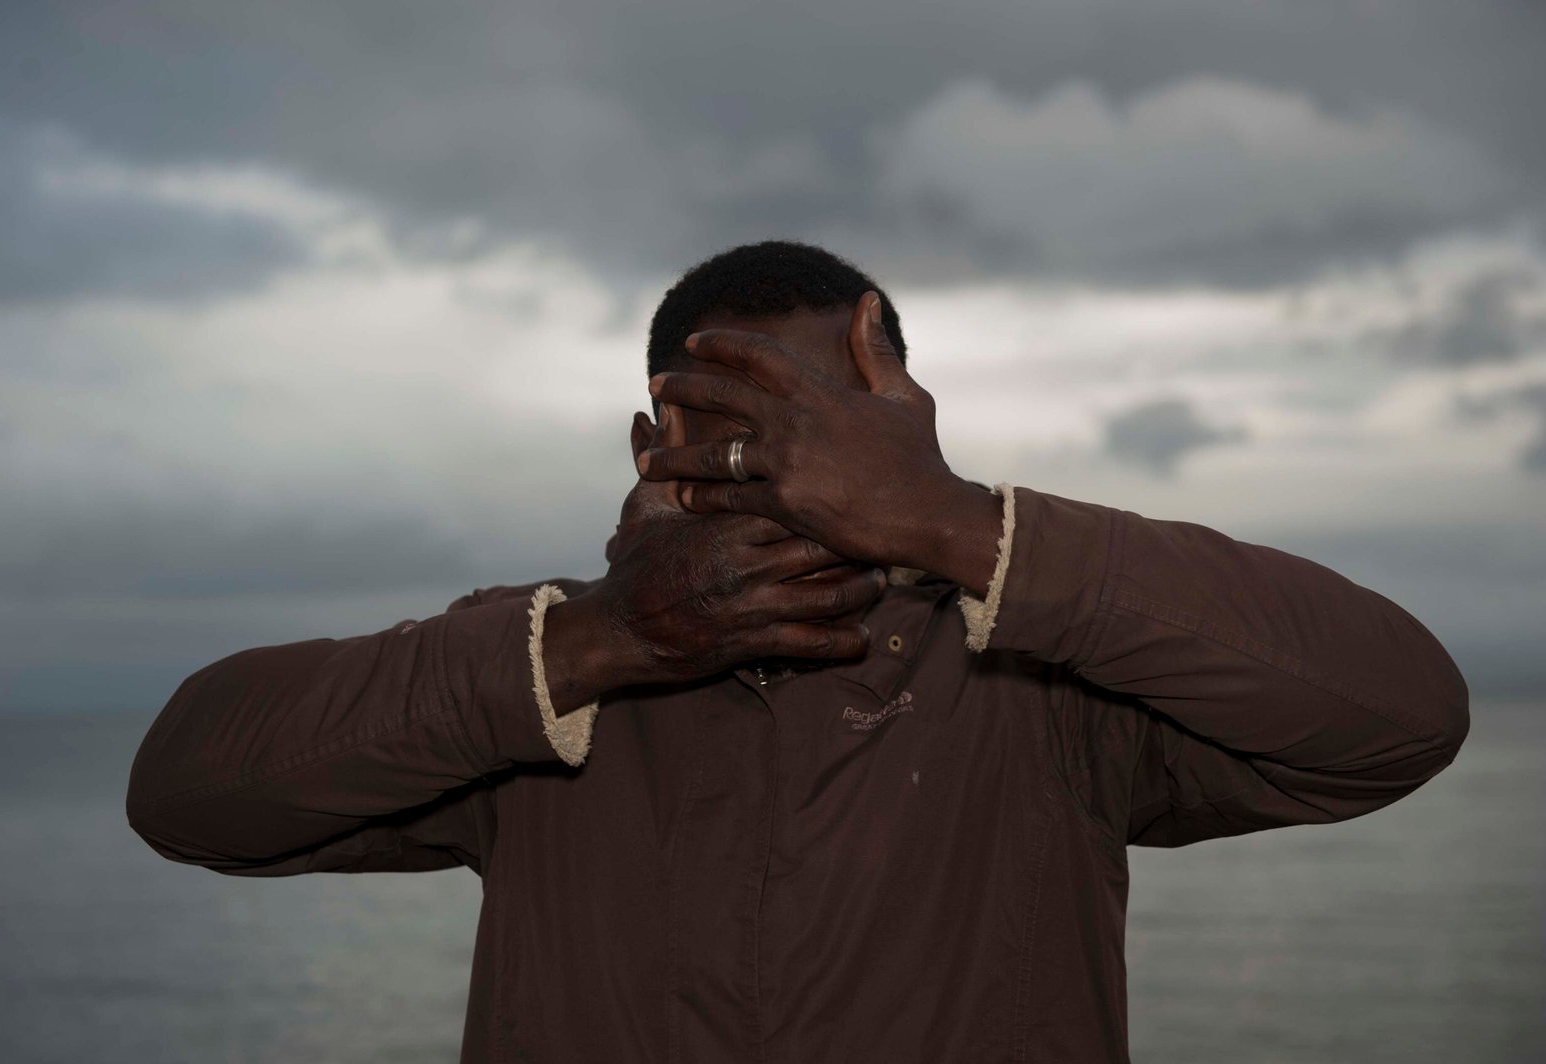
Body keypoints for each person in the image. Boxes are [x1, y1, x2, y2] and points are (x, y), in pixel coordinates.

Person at [126, 240, 1471, 1063]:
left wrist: (960, 528)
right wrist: (597, 641)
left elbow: (1399, 713)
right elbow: (188, 793)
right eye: (731, 428)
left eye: (829, 430)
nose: (788, 473)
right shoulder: (541, 672)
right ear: (652, 449)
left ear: (904, 431)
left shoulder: (1046, 686)